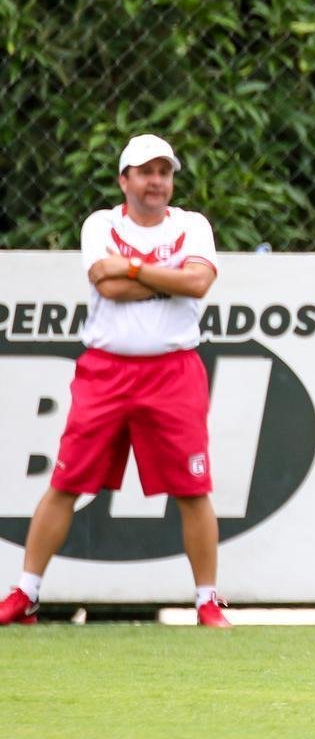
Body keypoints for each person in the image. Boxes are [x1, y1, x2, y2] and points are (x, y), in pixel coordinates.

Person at [0, 134, 230, 628]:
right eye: (145, 172)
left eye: (164, 172)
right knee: (65, 482)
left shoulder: (193, 225)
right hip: (105, 370)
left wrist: (131, 266)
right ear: (124, 180)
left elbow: (198, 283)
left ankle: (208, 601)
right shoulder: (100, 224)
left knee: (193, 489)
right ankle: (26, 594)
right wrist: (163, 272)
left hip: (174, 371)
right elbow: (108, 287)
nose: (156, 182)